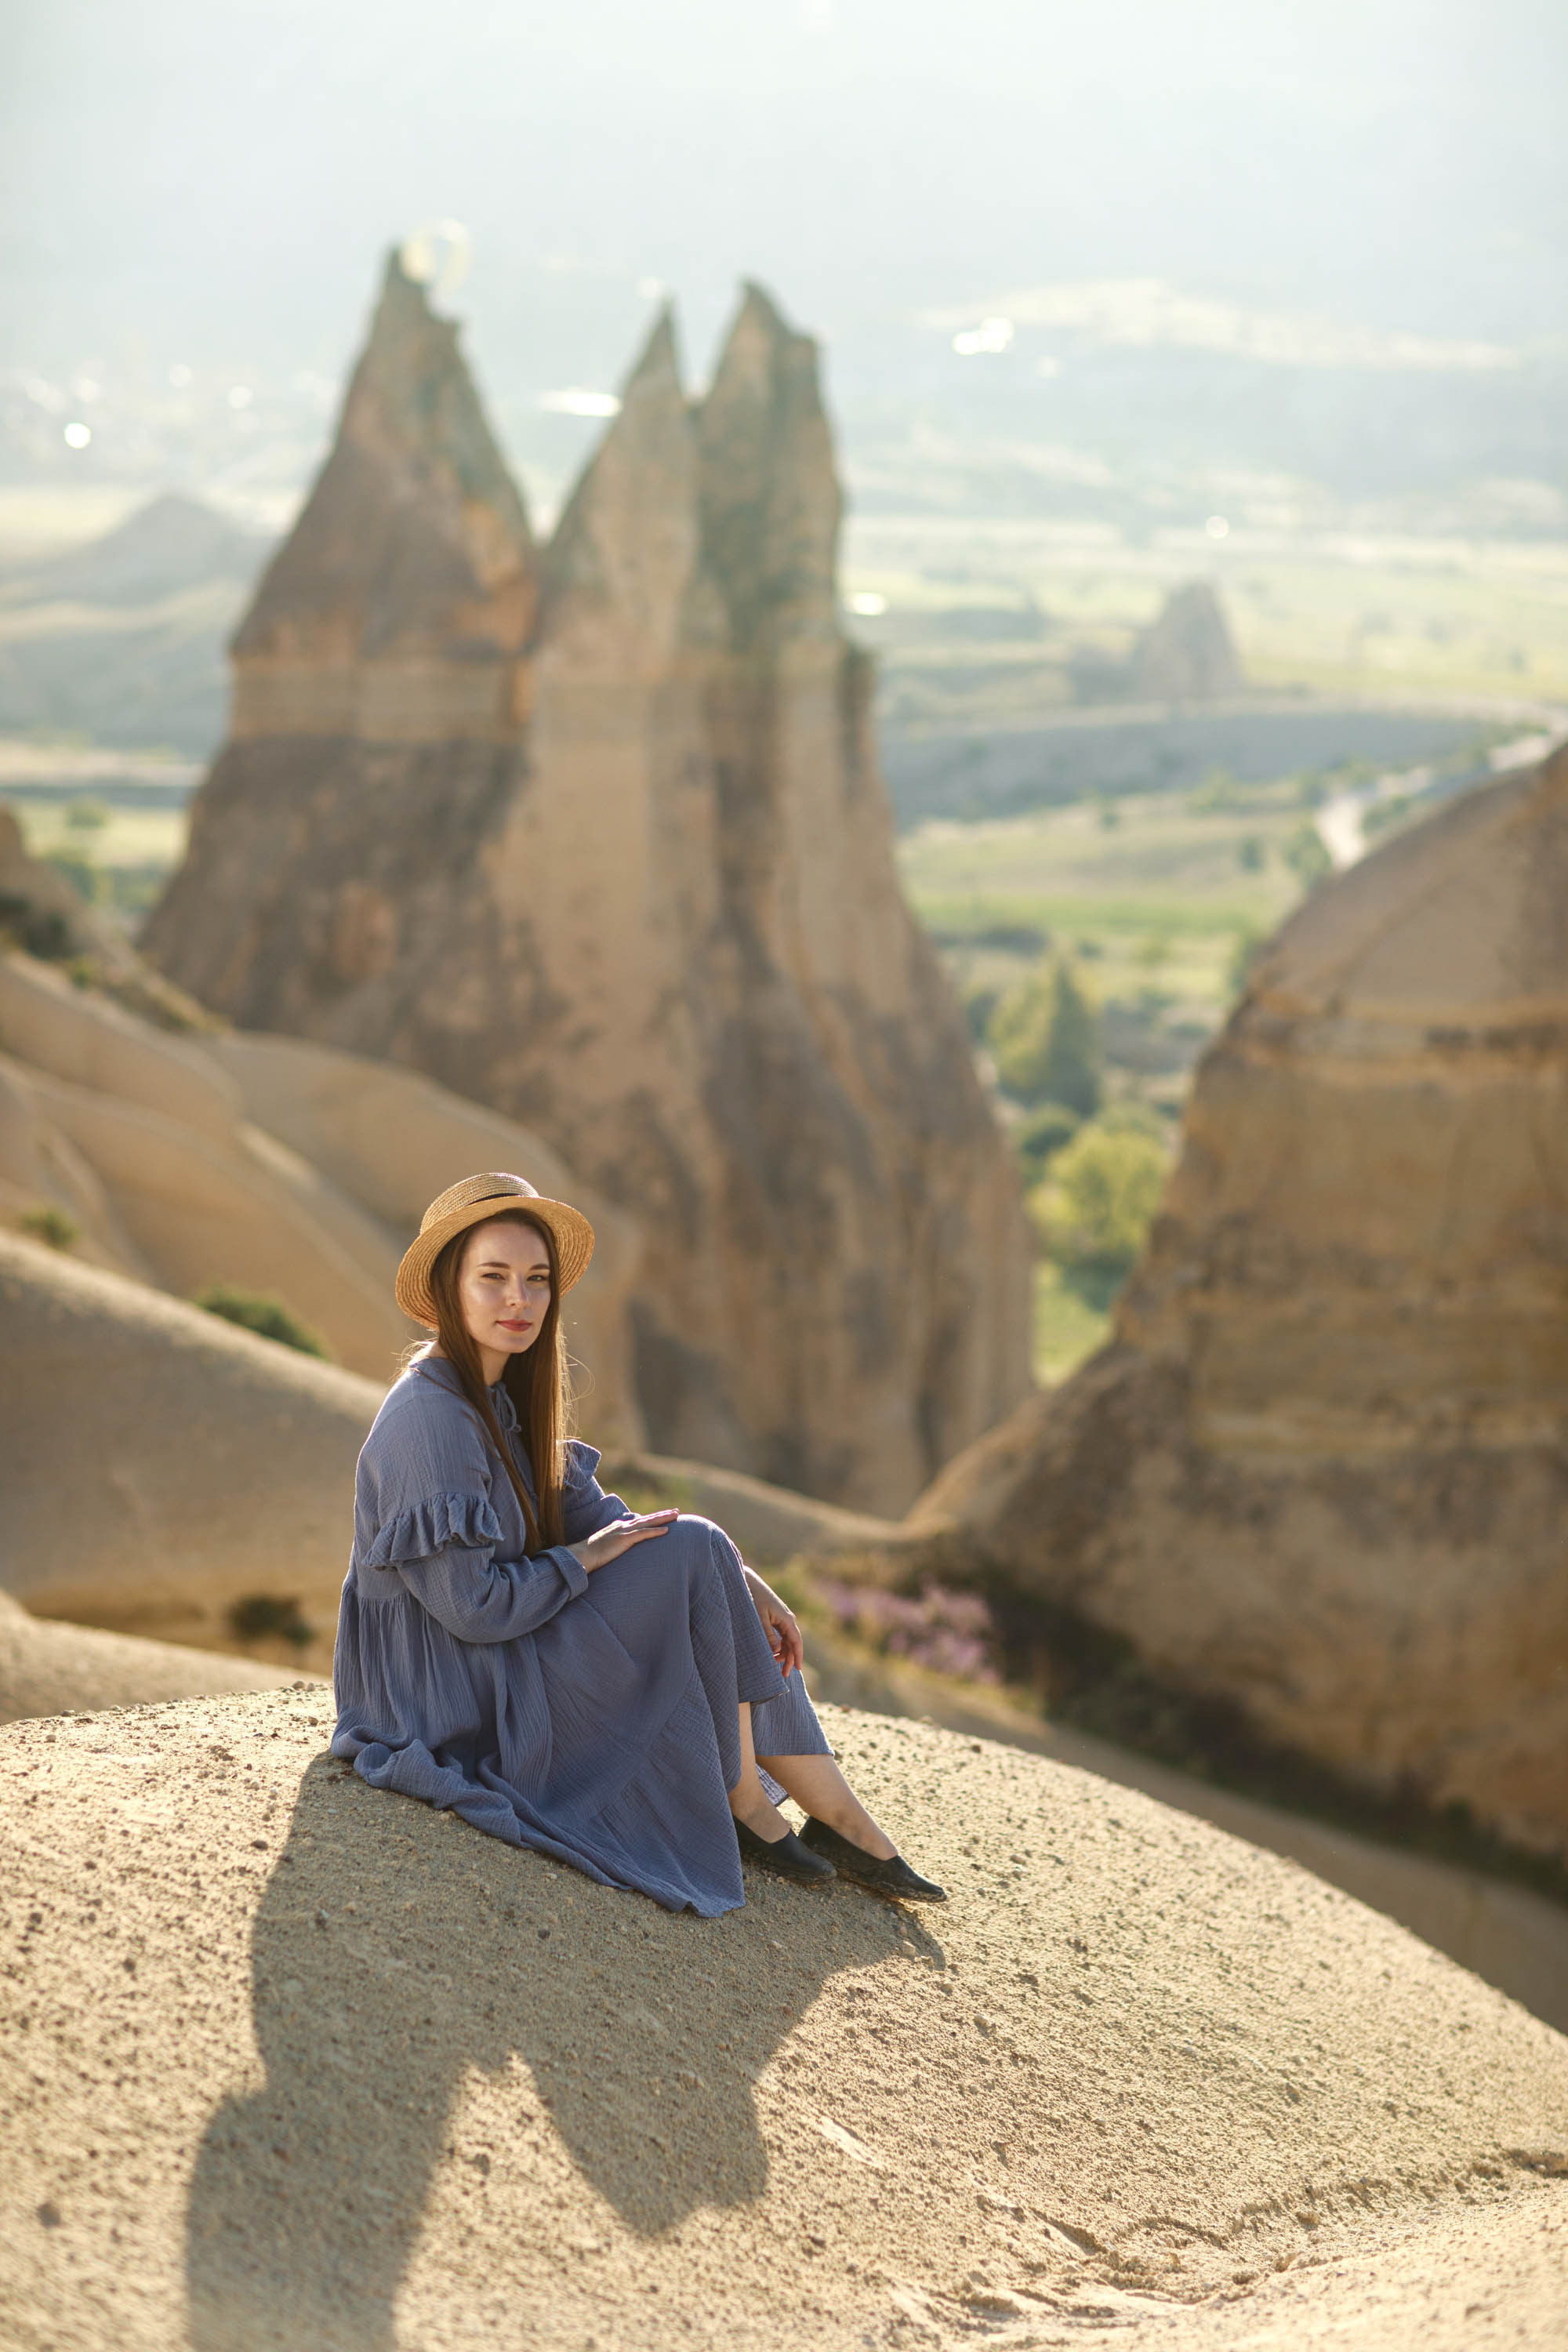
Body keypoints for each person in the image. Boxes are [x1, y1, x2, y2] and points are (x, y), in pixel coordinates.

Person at [332, 1171, 946, 1916]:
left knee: (698, 1545)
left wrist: (742, 1577)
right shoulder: (429, 1418)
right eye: (492, 1278)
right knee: (687, 1552)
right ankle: (747, 1800)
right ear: (449, 1288)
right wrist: (582, 1561)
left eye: (536, 1280)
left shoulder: (499, 1398)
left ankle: (842, 1821)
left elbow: (598, 1515)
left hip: (499, 1652)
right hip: (449, 1695)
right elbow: (473, 1610)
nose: (518, 1301)